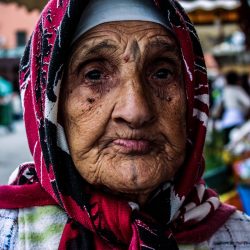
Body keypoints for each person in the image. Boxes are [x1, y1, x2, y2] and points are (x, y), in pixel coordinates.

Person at [0, 0, 249, 249]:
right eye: (94, 75)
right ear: (51, 106)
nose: (135, 111)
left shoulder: (239, 237)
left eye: (162, 73)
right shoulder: (9, 233)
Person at [216, 71, 250, 144]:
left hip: (227, 118)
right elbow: (248, 103)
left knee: (227, 142)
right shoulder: (237, 89)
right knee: (237, 141)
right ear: (236, 80)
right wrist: (245, 111)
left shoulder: (225, 90)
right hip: (237, 118)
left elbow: (219, 104)